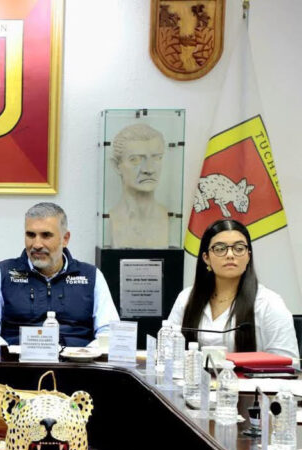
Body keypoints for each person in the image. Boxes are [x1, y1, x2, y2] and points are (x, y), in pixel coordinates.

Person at [0, 202, 119, 347]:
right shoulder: (3, 273)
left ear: (65, 239)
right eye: (31, 235)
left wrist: (85, 354)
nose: (37, 244)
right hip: (17, 358)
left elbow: (109, 332)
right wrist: (6, 354)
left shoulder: (91, 276)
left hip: (76, 358)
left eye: (46, 235)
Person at [168, 219, 298, 358]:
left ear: (248, 256)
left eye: (239, 249)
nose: (230, 255)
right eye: (220, 249)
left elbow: (289, 362)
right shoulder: (186, 298)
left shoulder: (268, 303)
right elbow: (167, 350)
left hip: (249, 373)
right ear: (206, 258)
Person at [108, 123, 169, 249]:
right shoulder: (114, 219)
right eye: (135, 159)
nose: (149, 169)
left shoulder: (165, 217)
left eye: (157, 158)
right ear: (116, 166)